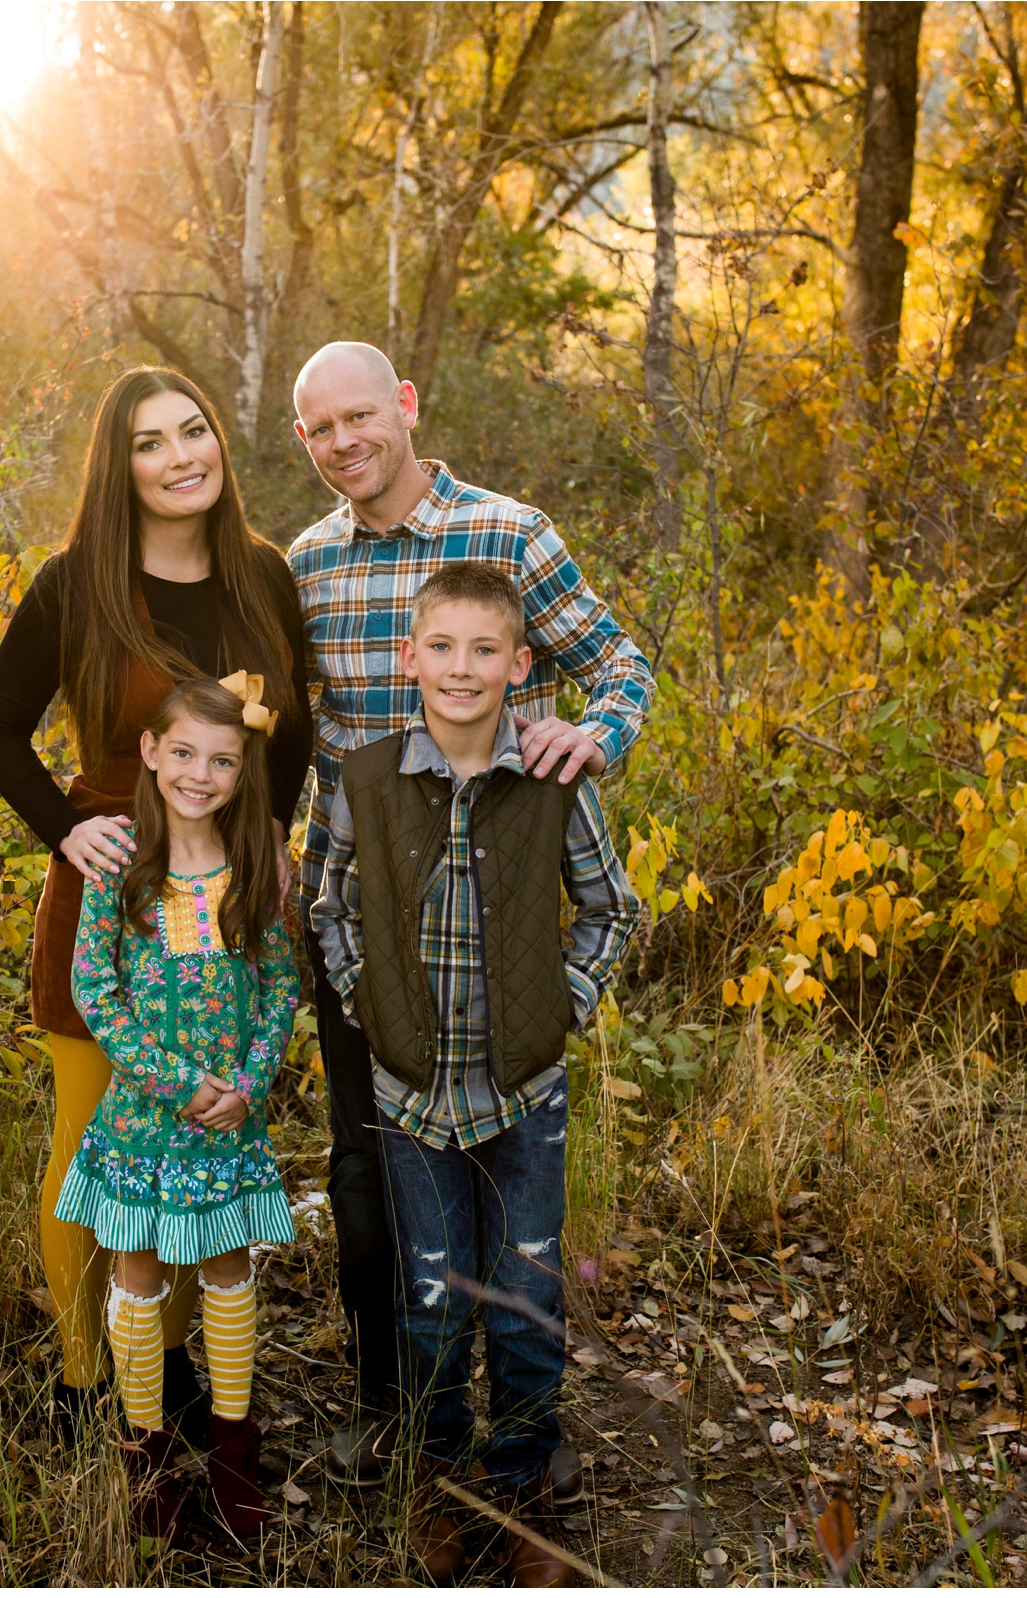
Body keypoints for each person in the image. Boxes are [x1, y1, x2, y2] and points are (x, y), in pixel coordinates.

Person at [286, 341, 653, 1489]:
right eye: (319, 430)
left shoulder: (509, 532)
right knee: (366, 1172)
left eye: (360, 417)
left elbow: (619, 661)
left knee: (512, 1200)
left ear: (404, 404)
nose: (344, 443)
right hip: (364, 912)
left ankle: (523, 1438)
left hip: (501, 928)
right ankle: (398, 1409)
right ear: (304, 443)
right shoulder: (306, 563)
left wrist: (595, 735)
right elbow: (280, 726)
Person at [0, 367, 312, 1445]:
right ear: (120, 467)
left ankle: (169, 1375)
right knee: (95, 1147)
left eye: (194, 432)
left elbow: (290, 734)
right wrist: (66, 828)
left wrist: (274, 836)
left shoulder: (262, 572)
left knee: (201, 1129)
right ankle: (85, 1381)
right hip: (112, 895)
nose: (180, 457)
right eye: (150, 443)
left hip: (230, 899)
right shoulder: (77, 582)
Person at [312, 563, 638, 1585]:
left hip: (523, 1090)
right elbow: (326, 907)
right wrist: (373, 1006)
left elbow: (611, 909)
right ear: (407, 657)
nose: (461, 668)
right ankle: (443, 1476)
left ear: (520, 665)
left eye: (484, 649)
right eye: (441, 647)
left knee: (526, 1286)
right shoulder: (363, 780)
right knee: (432, 1298)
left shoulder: (552, 782)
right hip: (411, 1095)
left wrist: (565, 1007)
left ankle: (527, 1470)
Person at [56, 678, 300, 1543]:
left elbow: (279, 984)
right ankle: (146, 1455)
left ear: (244, 770)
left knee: (228, 1268)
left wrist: (248, 1082)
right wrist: (175, 1082)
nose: (202, 773)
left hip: (229, 1120)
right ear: (154, 753)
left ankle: (233, 1452)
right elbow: (95, 987)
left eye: (223, 760)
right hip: (142, 1119)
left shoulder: (253, 862)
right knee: (139, 1272)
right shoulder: (121, 860)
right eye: (185, 752)